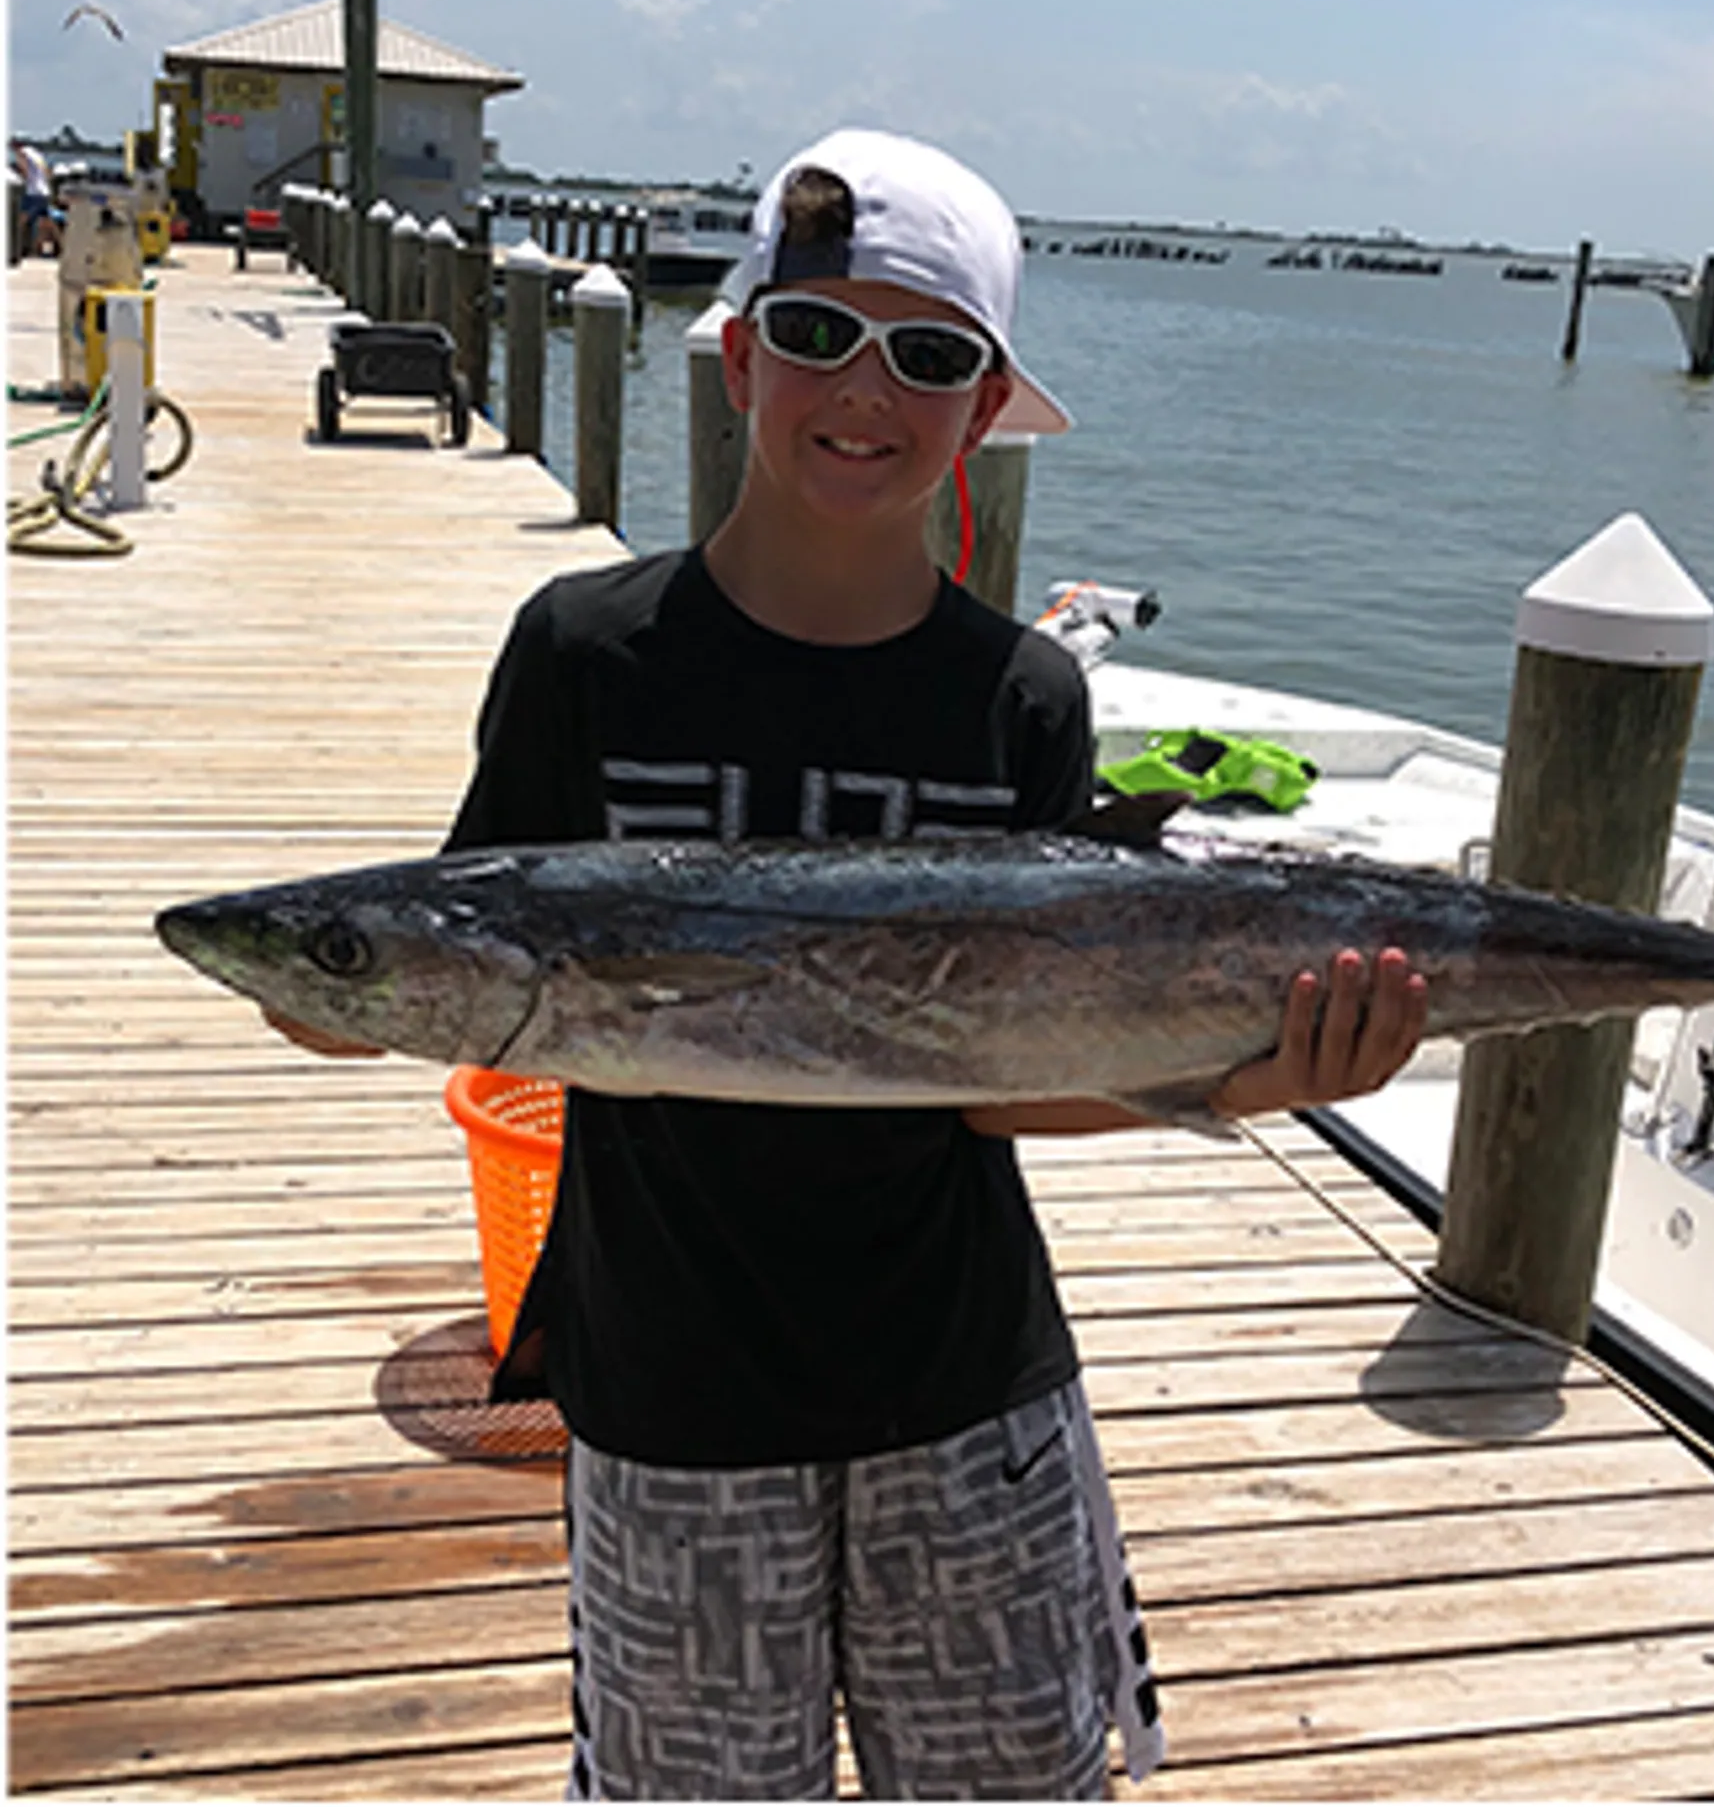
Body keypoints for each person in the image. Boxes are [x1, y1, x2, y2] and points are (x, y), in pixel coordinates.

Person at [273, 126, 1428, 1799]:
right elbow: (459, 945)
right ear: (742, 352)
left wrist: (1251, 1082)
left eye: (931, 355)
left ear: (982, 406)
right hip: (666, 1389)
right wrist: (325, 990)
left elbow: (992, 1098)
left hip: (963, 1382)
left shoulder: (1019, 694)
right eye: (820, 334)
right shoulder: (589, 653)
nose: (866, 388)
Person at [12, 141, 59, 257]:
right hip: (44, 191)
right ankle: (60, 247)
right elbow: (48, 172)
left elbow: (24, 169)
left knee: (21, 221)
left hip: (33, 192)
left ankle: (16, 249)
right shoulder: (38, 155)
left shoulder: (23, 152)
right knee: (46, 223)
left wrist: (22, 177)